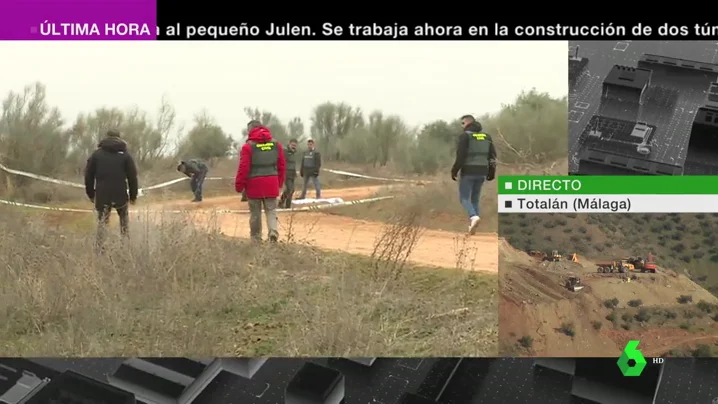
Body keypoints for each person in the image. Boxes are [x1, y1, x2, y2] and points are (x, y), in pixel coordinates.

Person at [84, 129, 139, 248]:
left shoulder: (96, 154)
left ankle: (100, 250)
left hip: (102, 193)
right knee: (124, 222)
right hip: (120, 193)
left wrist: (91, 194)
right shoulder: (125, 155)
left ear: (106, 137)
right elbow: (132, 177)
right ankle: (125, 248)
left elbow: (88, 176)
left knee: (102, 223)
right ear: (119, 137)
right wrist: (133, 196)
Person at [235, 120, 286, 242]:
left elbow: (244, 167)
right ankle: (273, 232)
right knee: (271, 211)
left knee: (255, 213)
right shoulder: (276, 145)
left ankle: (256, 238)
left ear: (250, 130)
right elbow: (281, 165)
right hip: (271, 182)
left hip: (254, 185)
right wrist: (279, 182)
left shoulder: (248, 147)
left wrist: (239, 185)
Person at [450, 114, 497, 235]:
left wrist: (454, 171)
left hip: (468, 171)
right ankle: (473, 224)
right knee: (475, 199)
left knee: (464, 198)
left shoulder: (465, 137)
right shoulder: (487, 137)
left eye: (462, 123)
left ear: (467, 123)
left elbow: (461, 156)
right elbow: (492, 156)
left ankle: (473, 217)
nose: (462, 126)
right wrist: (492, 172)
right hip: (482, 172)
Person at [279, 138, 298, 208]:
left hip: (292, 173)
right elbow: (282, 162)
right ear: (289, 144)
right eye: (292, 145)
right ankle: (288, 206)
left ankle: (281, 202)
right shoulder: (285, 152)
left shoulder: (294, 152)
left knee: (289, 190)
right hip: (286, 173)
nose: (293, 146)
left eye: (295, 145)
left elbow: (293, 164)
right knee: (290, 189)